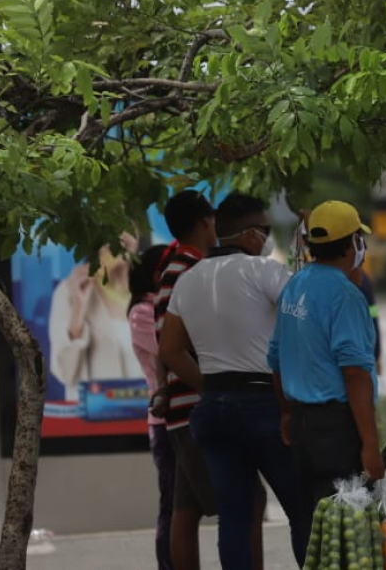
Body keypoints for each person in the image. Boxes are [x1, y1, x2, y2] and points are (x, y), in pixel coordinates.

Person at [160, 193, 305, 570]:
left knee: (235, 517)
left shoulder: (187, 281)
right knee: (302, 507)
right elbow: (304, 318)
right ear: (251, 234)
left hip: (213, 411)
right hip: (264, 406)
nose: (269, 238)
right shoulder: (264, 272)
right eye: (267, 230)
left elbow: (170, 349)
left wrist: (208, 386)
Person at [268, 200, 384, 551]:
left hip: (303, 421)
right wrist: (370, 445)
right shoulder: (346, 295)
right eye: (359, 240)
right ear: (352, 245)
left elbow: (275, 357)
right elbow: (355, 375)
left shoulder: (295, 285)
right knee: (345, 526)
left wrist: (287, 411)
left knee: (311, 519)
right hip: (337, 427)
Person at [151, 190, 221, 570]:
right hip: (193, 404)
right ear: (204, 222)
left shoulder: (173, 267)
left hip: (180, 406)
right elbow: (174, 346)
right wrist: (212, 389)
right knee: (241, 501)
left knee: (186, 508)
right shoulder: (190, 270)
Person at [48, 232, 141, 400]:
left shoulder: (151, 290)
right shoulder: (69, 291)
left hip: (148, 419)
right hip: (94, 420)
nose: (121, 234)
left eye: (128, 221)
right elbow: (64, 373)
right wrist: (78, 310)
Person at [129, 244, 174, 570]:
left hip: (186, 417)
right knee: (173, 506)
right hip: (166, 424)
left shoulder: (168, 307)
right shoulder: (143, 314)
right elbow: (172, 349)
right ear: (159, 275)